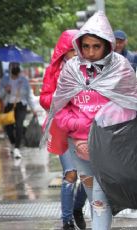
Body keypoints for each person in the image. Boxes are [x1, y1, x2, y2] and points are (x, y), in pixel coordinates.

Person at [44, 11, 137, 230]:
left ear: (107, 45)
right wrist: (78, 129)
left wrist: (100, 132)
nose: (91, 52)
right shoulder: (71, 69)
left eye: (96, 46)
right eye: (86, 46)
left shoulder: (121, 67)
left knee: (101, 200)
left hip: (111, 147)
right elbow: (59, 107)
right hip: (79, 148)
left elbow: (131, 105)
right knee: (97, 201)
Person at [40, 29, 87, 230]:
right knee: (70, 174)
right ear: (64, 52)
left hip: (84, 129)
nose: (76, 54)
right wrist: (62, 95)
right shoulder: (54, 72)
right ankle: (67, 221)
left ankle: (77, 207)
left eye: (79, 50)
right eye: (72, 51)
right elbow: (44, 99)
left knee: (89, 175)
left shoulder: (90, 69)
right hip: (61, 129)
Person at [0, 62, 36, 159]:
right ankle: (13, 143)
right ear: (10, 68)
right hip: (9, 106)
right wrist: (5, 90)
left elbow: (29, 95)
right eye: (13, 66)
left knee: (19, 126)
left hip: (21, 105)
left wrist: (33, 108)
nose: (15, 68)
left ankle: (17, 148)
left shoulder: (24, 80)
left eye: (16, 66)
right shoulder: (5, 80)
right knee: (9, 128)